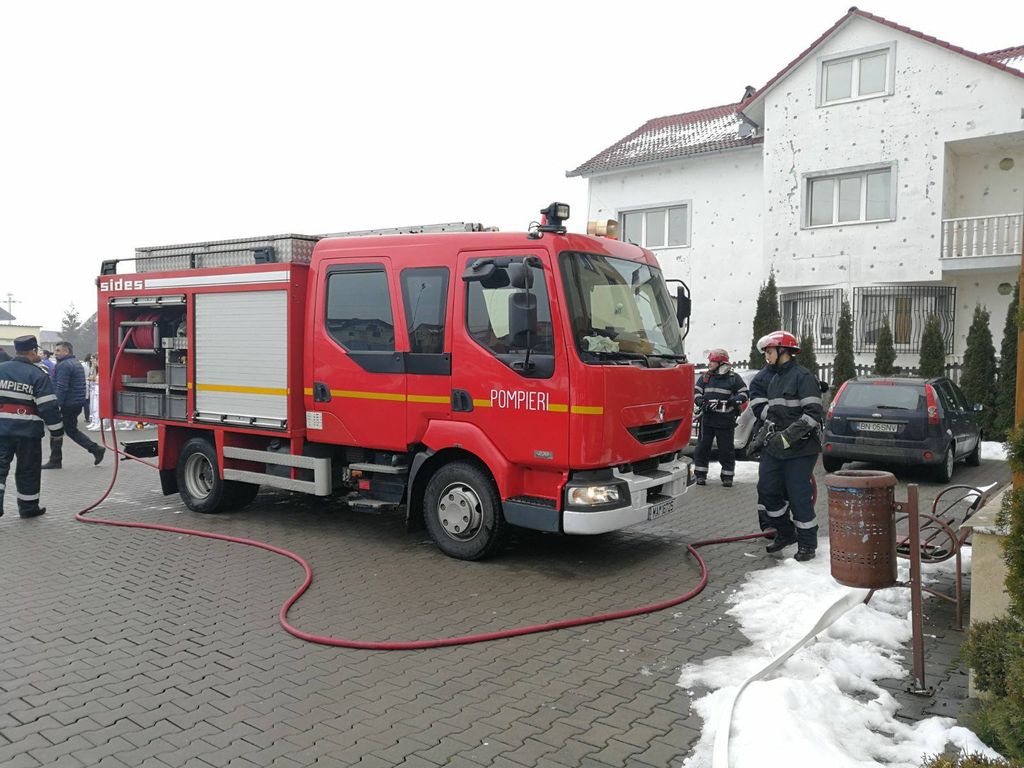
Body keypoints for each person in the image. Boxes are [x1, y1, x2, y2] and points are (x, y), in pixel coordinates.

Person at [751, 330, 824, 562]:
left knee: (798, 495)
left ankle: (807, 544)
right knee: (767, 490)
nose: (767, 356)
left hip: (801, 449)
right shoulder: (774, 380)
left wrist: (786, 437)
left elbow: (813, 414)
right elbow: (772, 416)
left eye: (769, 351)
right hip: (776, 448)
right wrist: (760, 439)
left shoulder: (803, 377)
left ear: (783, 351)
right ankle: (786, 533)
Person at [0, 335, 65, 518]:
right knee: (28, 470)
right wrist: (57, 431)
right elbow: (48, 407)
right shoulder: (38, 375)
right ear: (33, 351)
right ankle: (28, 508)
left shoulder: (1, 369)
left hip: (1, 430)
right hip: (27, 432)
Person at [43, 341, 105, 469]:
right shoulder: (75, 363)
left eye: (58, 350)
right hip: (75, 402)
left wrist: (57, 404)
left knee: (57, 430)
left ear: (66, 351)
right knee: (70, 430)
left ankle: (56, 460)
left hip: (67, 403)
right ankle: (94, 449)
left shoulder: (64, 365)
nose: (55, 353)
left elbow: (61, 387)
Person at [692, 348, 748, 487]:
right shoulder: (705, 377)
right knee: (702, 448)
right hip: (707, 420)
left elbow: (744, 393)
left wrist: (732, 401)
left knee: (726, 450)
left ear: (722, 363)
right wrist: (701, 402)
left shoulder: (734, 378)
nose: (710, 364)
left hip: (725, 421)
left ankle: (727, 476)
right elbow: (696, 392)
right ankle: (700, 475)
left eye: (713, 361)